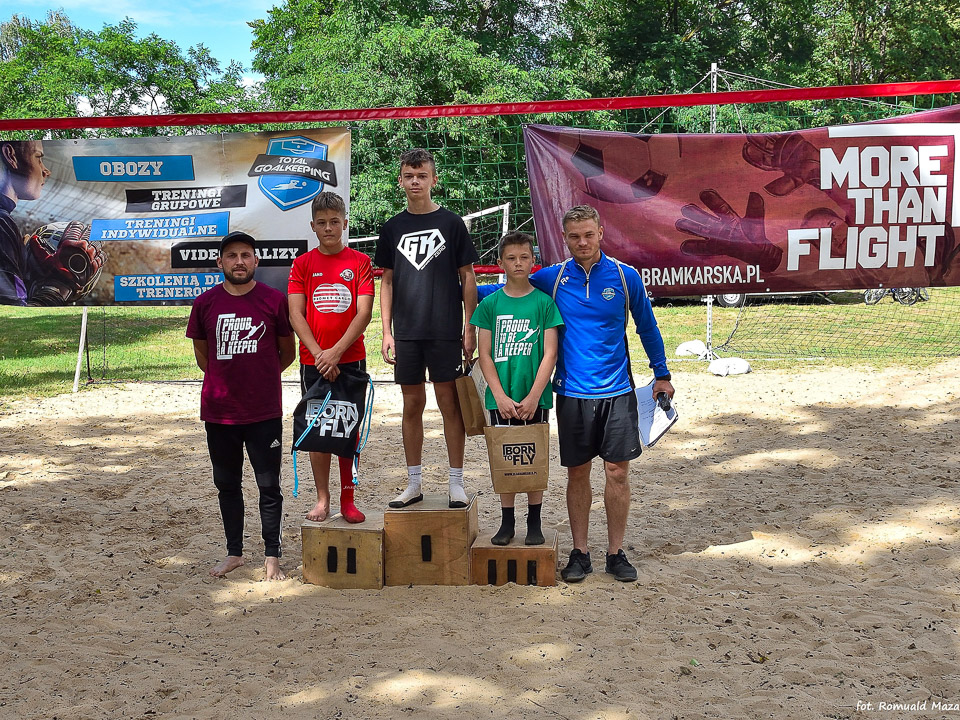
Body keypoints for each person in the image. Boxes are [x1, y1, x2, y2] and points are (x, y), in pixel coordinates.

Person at [529, 205, 675, 583]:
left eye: (588, 235)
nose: (582, 242)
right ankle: (580, 553)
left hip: (618, 391)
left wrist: (661, 375)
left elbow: (647, 327)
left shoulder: (625, 277)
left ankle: (615, 553)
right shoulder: (552, 278)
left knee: (617, 473)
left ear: (601, 233)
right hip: (572, 393)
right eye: (574, 236)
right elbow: (508, 292)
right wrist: (456, 286)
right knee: (578, 473)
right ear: (564, 238)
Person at [186, 231, 296, 580]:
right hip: (220, 412)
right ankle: (234, 553)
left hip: (264, 411)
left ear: (256, 261)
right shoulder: (205, 303)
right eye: (231, 256)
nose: (239, 261)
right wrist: (227, 379)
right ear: (220, 262)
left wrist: (259, 377)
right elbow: (203, 357)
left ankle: (272, 556)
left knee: (269, 486)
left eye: (245, 255)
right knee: (227, 485)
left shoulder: (274, 300)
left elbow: (287, 352)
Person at [375, 148, 480, 509]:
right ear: (400, 181)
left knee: (450, 404)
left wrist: (469, 327)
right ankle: (414, 483)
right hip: (406, 332)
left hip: (445, 329)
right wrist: (387, 331)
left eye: (421, 175)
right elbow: (387, 281)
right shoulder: (392, 227)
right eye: (409, 176)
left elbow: (468, 277)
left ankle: (456, 483)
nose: (415, 181)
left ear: (434, 179)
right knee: (412, 404)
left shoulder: (451, 223)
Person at [471, 231, 562, 545]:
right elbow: (484, 354)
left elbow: (550, 353)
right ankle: (507, 521)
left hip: (535, 396)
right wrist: (499, 395)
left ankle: (534, 521)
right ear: (500, 262)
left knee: (532, 457)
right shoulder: (490, 305)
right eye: (511, 258)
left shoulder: (544, 303)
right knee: (506, 459)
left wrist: (535, 395)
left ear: (533, 261)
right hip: (501, 397)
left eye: (524, 257)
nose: (518, 263)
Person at [288, 191, 373, 524]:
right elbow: (296, 314)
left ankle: (347, 499)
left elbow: (363, 313)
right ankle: (322, 498)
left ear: (345, 223)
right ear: (312, 226)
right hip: (313, 361)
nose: (328, 228)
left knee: (347, 427)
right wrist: (320, 354)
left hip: (350, 358)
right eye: (322, 222)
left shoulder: (359, 262)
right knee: (318, 428)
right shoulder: (302, 264)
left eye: (334, 222)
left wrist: (336, 353)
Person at [1, 139, 104, 305]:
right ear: (10, 155)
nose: (46, 171)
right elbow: (12, 315)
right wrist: (58, 285)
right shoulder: (2, 223)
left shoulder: (5, 219)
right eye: (38, 158)